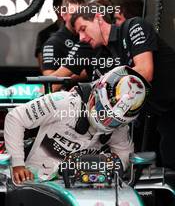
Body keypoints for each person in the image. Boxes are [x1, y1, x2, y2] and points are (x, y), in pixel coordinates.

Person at [70, 3, 175, 170]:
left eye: (83, 28)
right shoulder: (103, 54)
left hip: (170, 107)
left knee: (170, 156)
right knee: (140, 166)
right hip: (152, 114)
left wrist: (96, 86)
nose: (82, 37)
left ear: (98, 17)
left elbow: (145, 72)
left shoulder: (133, 26)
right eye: (78, 33)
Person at [4, 66, 149, 184]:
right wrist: (18, 164)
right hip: (35, 179)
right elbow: (15, 118)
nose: (107, 121)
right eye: (104, 112)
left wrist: (105, 167)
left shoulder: (120, 128)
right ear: (96, 94)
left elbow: (124, 154)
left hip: (82, 185)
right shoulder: (63, 102)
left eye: (115, 120)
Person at [41, 0, 86, 77]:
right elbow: (48, 79)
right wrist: (86, 73)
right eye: (73, 14)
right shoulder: (53, 43)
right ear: (63, 15)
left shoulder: (91, 38)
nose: (78, 18)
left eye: (81, 14)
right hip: (67, 89)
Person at [35, 0, 67, 69]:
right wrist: (49, 77)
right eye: (61, 7)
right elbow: (41, 60)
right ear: (55, 8)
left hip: (76, 76)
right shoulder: (44, 34)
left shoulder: (79, 32)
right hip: (52, 75)